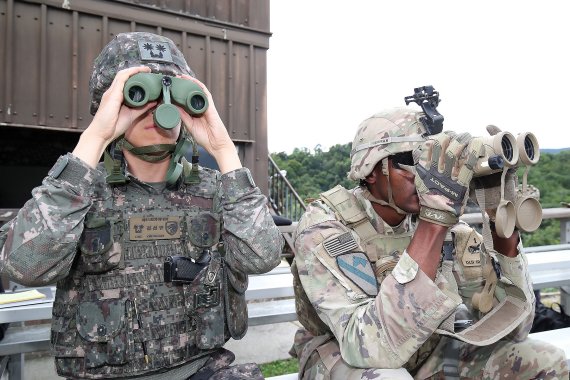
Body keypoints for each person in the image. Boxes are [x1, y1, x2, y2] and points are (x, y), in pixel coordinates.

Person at [0, 32, 284, 379]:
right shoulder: (75, 193)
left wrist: (224, 149)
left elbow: (263, 256)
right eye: (139, 93)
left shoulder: (219, 190)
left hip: (202, 368)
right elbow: (25, 267)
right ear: (109, 104)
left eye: (172, 93)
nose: (158, 107)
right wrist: (94, 138)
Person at [289, 105, 569, 379]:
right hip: (342, 354)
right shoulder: (326, 228)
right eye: (413, 161)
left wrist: (501, 225)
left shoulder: (449, 230)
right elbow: (367, 346)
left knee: (547, 362)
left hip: (428, 351)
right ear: (371, 170)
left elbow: (515, 330)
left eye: (432, 162)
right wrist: (434, 221)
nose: (425, 176)